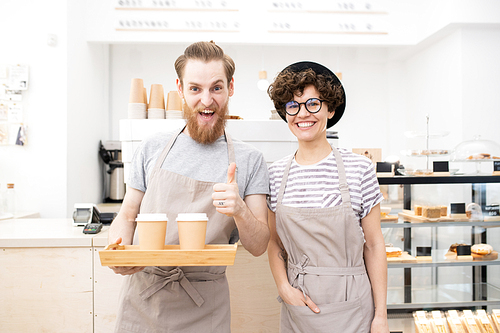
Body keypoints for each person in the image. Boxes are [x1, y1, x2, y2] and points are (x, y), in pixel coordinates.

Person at [108, 41, 270, 333]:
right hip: (145, 297)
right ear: (180, 89)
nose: (206, 100)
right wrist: (119, 252)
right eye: (195, 88)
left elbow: (258, 246)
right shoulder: (152, 148)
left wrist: (240, 211)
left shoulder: (251, 160)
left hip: (205, 306)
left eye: (216, 88)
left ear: (230, 88)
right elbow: (127, 214)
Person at [266, 61, 389, 333]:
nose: (302, 114)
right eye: (293, 106)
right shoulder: (274, 174)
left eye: (313, 104)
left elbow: (374, 246)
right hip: (299, 306)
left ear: (330, 109)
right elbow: (275, 243)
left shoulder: (360, 169)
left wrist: (381, 316)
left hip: (354, 306)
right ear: (286, 114)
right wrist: (284, 288)